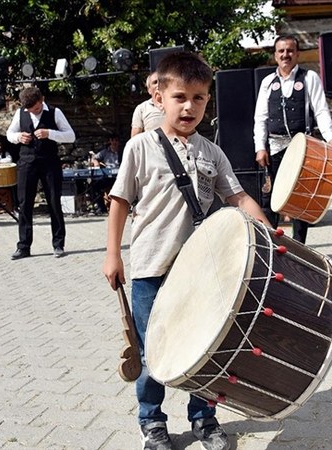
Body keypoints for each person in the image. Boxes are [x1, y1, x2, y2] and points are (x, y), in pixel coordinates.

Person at [102, 51, 270, 450]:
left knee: (206, 346)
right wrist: (112, 255)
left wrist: (267, 230)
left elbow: (239, 197)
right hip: (150, 268)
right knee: (151, 352)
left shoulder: (212, 152)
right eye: (180, 97)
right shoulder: (139, 147)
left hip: (201, 270)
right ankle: (152, 423)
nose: (189, 106)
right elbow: (120, 202)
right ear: (158, 97)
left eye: (198, 98)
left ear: (207, 102)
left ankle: (204, 418)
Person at [253, 35, 332, 244]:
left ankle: (299, 246)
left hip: (302, 146)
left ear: (297, 54)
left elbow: (320, 110)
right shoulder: (268, 82)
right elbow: (261, 118)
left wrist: (330, 138)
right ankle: (270, 245)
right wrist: (260, 147)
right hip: (275, 146)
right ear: (275, 55)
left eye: (290, 51)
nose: (286, 55)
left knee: (301, 197)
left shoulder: (309, 77)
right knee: (271, 198)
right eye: (281, 51)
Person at [6, 86, 76, 260]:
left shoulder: (55, 112)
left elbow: (71, 136)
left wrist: (50, 133)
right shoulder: (20, 113)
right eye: (31, 110)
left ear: (42, 99)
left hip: (49, 162)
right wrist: (18, 137)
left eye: (37, 108)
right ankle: (23, 246)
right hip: (26, 162)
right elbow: (9, 133)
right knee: (24, 204)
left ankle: (58, 244)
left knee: (54, 202)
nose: (34, 112)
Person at [90, 134, 121, 214]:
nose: (114, 142)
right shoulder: (105, 152)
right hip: (108, 177)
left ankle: (121, 208)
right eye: (112, 140)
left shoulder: (122, 152)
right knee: (94, 185)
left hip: (120, 177)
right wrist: (96, 163)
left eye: (116, 140)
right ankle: (101, 208)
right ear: (110, 141)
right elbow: (94, 158)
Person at [130, 72, 164, 137]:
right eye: (155, 82)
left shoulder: (176, 105)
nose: (158, 85)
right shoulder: (142, 108)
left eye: (161, 81)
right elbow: (135, 137)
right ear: (149, 90)